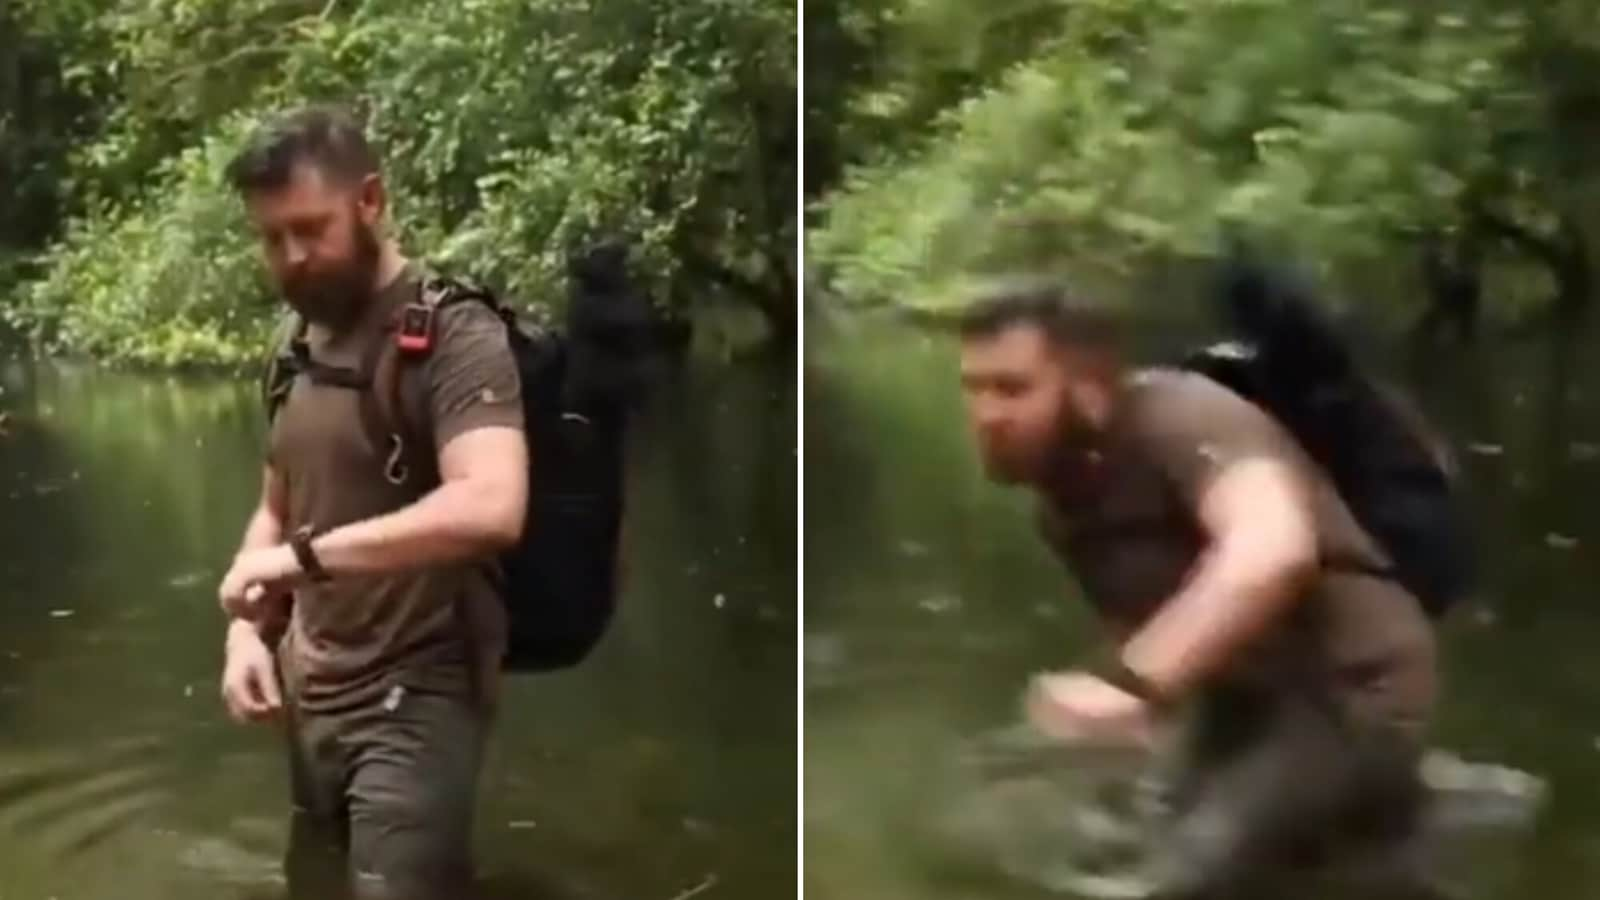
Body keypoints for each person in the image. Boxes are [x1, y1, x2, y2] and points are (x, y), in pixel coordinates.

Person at [956, 282, 1440, 898]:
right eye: (972, 388)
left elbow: (1271, 549)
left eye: (1012, 388)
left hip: (1350, 689)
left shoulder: (1183, 417)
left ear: (1090, 387)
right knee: (1102, 833)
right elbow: (1142, 623)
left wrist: (1130, 685)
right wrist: (1122, 718)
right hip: (1241, 698)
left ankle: (1379, 817)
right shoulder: (1063, 502)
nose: (986, 415)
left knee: (1178, 879)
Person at [214, 104, 527, 900]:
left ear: (372, 201)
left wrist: (302, 559)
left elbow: (492, 503)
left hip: (420, 693)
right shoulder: (292, 346)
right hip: (311, 689)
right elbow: (276, 509)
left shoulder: (455, 334)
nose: (292, 256)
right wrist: (250, 630)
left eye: (310, 228)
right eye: (271, 236)